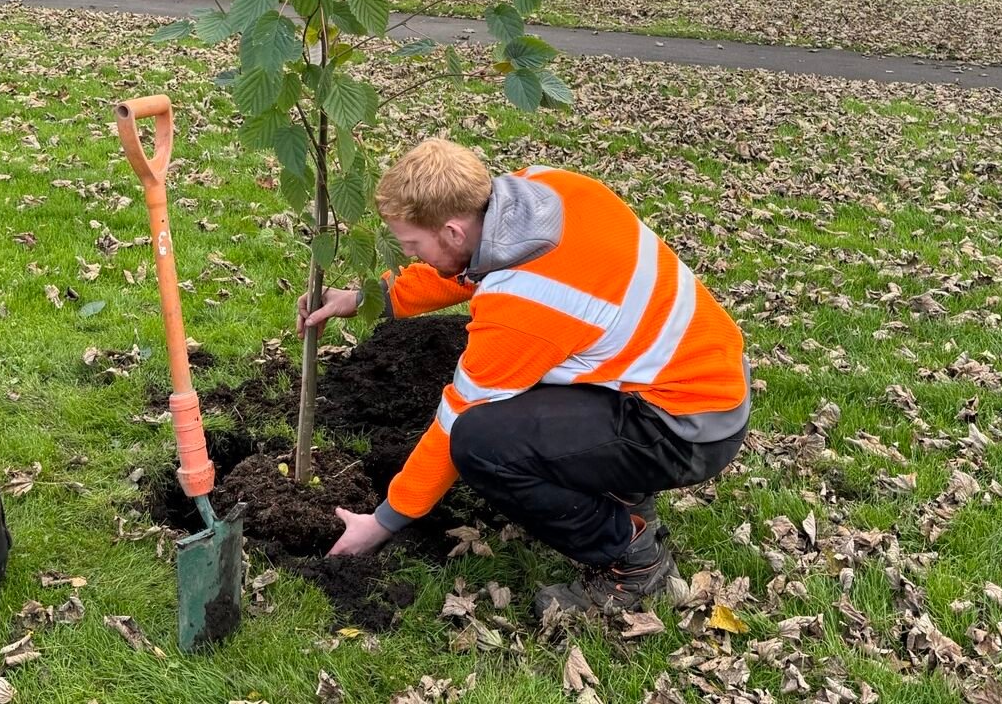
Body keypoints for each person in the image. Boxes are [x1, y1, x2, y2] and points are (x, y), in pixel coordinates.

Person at [297, 138, 749, 615]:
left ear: (452, 229)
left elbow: (457, 419)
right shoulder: (543, 189)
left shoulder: (526, 302)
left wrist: (384, 521)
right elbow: (464, 266)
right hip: (694, 374)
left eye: (412, 245)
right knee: (525, 390)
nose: (410, 253)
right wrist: (367, 297)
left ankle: (632, 562)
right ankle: (623, 489)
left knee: (481, 443)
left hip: (687, 426)